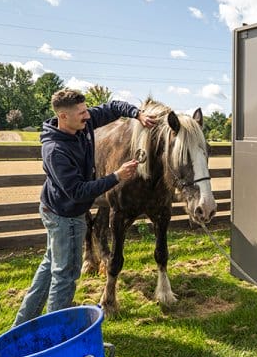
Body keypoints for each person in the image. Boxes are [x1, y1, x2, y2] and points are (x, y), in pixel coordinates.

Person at [13, 88, 156, 326]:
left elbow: (112, 108)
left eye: (86, 110)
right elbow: (78, 191)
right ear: (63, 116)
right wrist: (116, 177)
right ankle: (57, 332)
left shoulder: (84, 124)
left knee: (50, 267)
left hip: (62, 210)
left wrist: (137, 114)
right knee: (66, 275)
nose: (87, 116)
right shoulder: (55, 150)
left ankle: (23, 323)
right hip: (64, 216)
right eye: (80, 113)